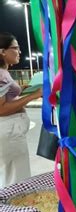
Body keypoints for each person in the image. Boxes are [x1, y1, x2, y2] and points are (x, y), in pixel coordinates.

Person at [0, 32, 43, 188]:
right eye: (15, 48)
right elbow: (1, 109)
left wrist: (21, 91)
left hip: (10, 134)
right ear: (2, 51)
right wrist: (34, 95)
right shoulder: (1, 75)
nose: (19, 51)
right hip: (8, 134)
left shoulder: (4, 73)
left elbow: (6, 97)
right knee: (15, 182)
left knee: (13, 178)